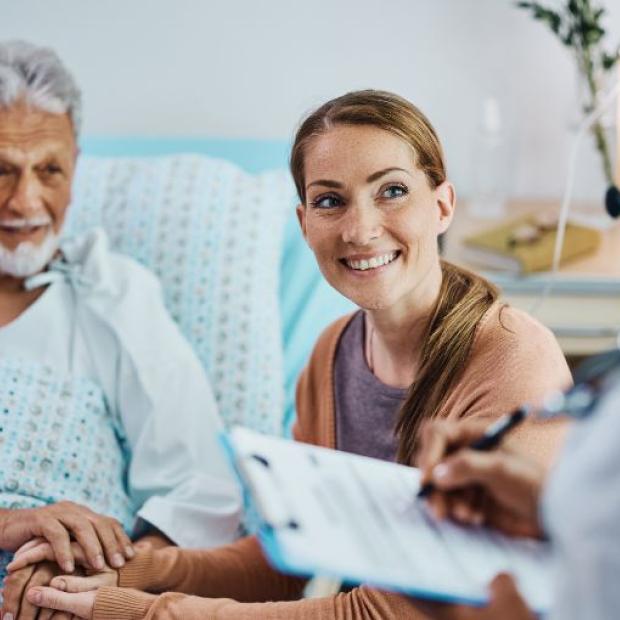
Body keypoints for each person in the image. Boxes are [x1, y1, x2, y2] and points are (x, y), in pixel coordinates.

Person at [19, 89, 571, 619]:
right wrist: (126, 571)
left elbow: (389, 611)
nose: (360, 229)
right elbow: (285, 561)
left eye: (392, 190)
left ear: (443, 204)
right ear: (305, 224)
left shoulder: (513, 361)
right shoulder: (332, 355)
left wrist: (147, 612)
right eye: (330, 201)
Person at [0, 40, 241, 618]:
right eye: (1, 169)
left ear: (76, 168)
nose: (25, 200)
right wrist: (13, 523)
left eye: (49, 170)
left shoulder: (114, 295)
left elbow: (202, 489)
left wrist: (101, 577)